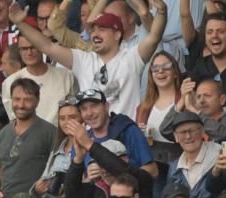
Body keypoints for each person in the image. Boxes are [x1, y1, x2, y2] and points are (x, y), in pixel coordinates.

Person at [11, 0, 167, 120]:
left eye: (102, 29)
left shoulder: (131, 58)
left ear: (117, 34)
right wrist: (20, 23)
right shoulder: (83, 59)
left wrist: (161, 11)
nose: (95, 34)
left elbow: (154, 37)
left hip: (124, 140)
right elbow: (47, 46)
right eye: (93, 29)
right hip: (92, 142)